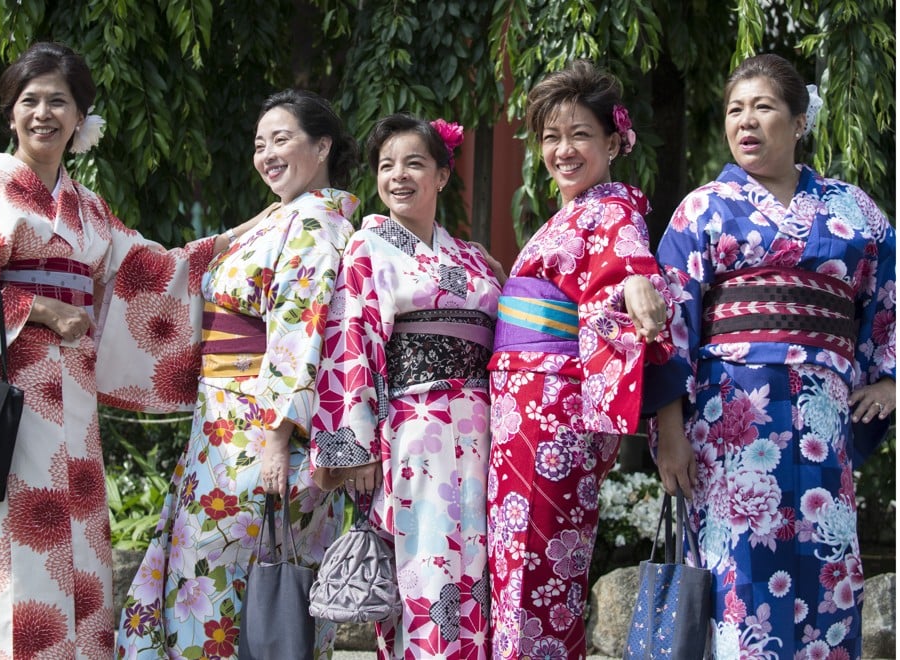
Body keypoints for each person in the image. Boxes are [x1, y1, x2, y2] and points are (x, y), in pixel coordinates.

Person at [0, 41, 259, 658]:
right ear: (11, 113)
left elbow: (151, 274)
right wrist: (38, 309)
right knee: (14, 546)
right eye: (30, 100)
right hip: (7, 398)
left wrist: (233, 241)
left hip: (72, 399)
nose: (43, 113)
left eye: (59, 101)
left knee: (78, 543)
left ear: (81, 118)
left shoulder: (89, 209)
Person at [648, 53, 896, 658]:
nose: (746, 122)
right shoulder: (702, 209)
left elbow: (886, 297)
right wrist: (671, 428)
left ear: (799, 118)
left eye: (763, 107)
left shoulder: (855, 212)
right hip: (727, 423)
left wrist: (889, 377)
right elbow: (669, 325)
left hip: (820, 424)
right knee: (739, 586)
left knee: (825, 575)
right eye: (735, 110)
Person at [115, 88, 360, 659]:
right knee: (210, 575)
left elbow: (298, 335)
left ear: (322, 145)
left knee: (223, 580)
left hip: (260, 436)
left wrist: (278, 437)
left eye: (282, 139)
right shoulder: (283, 219)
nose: (267, 154)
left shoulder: (315, 226)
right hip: (227, 424)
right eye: (259, 144)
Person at [484, 59, 674, 659]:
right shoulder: (570, 214)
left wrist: (642, 282)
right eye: (551, 137)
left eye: (580, 135)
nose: (563, 150)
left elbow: (629, 259)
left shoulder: (613, 207)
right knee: (526, 565)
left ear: (614, 142)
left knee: (536, 569)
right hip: (526, 408)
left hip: (549, 410)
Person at [309, 113, 502, 659]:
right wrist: (356, 447)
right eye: (386, 165)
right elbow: (352, 341)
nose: (398, 176)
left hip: (481, 426)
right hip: (416, 429)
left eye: (414, 163)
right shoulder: (368, 248)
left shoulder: (470, 258)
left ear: (442, 175)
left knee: (480, 564)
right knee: (428, 563)